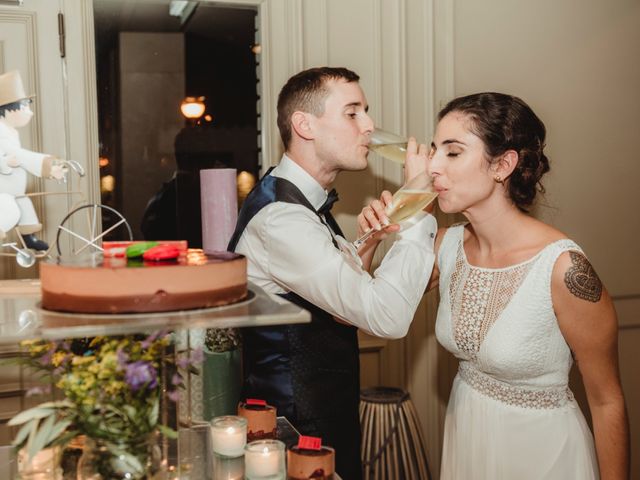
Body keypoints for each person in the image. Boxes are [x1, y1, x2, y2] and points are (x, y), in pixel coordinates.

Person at [358, 92, 630, 479]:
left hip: (543, 455)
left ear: (503, 165)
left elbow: (607, 402)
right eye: (434, 151)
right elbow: (370, 316)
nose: (432, 165)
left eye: (452, 153)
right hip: (468, 438)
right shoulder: (446, 247)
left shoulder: (564, 269)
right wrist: (370, 242)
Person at [226, 66, 438, 479]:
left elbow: (340, 308)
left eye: (367, 111)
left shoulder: (301, 203)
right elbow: (386, 318)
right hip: (294, 430)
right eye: (353, 112)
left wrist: (370, 241)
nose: (370, 125)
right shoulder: (282, 220)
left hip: (324, 414)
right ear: (304, 125)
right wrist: (418, 197)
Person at [0, 70, 66, 250]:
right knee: (10, 209)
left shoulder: (10, 131)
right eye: (25, 107)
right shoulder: (2, 134)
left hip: (13, 189)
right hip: (3, 192)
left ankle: (29, 238)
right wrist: (48, 166)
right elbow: (20, 156)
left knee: (23, 204)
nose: (29, 113)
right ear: (9, 110)